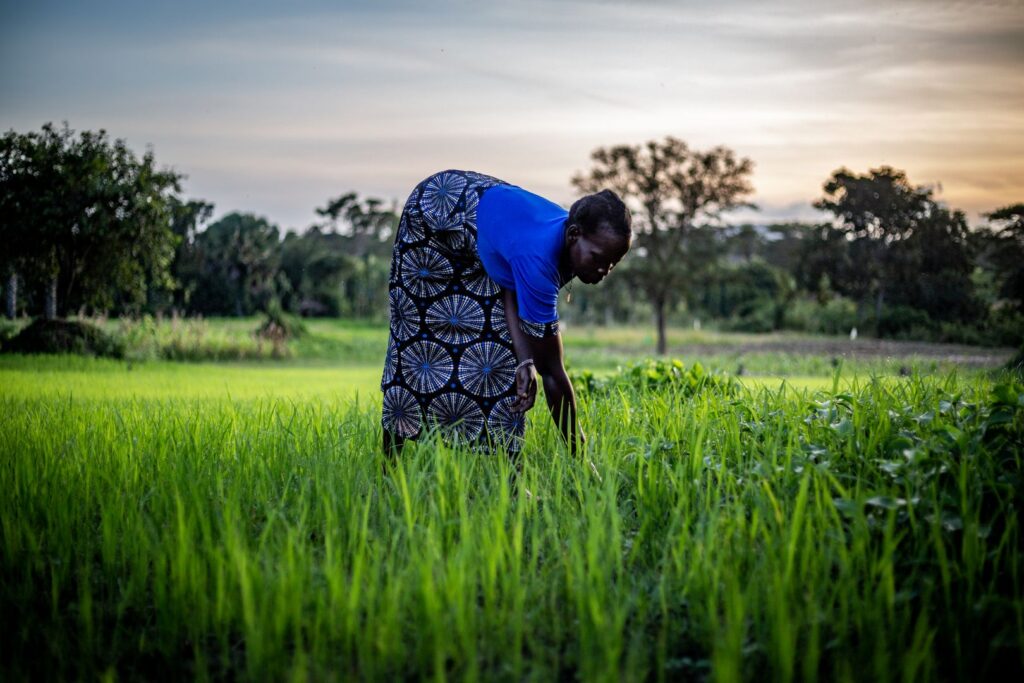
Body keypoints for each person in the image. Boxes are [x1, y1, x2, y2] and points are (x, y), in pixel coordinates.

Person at [380, 169, 632, 458]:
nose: (604, 271)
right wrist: (580, 456)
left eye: (613, 263)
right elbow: (552, 371)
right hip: (435, 213)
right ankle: (390, 467)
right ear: (574, 235)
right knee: (415, 341)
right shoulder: (539, 259)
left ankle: (510, 480)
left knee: (500, 358)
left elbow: (511, 281)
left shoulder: (566, 241)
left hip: (484, 230)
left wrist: (524, 360)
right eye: (599, 258)